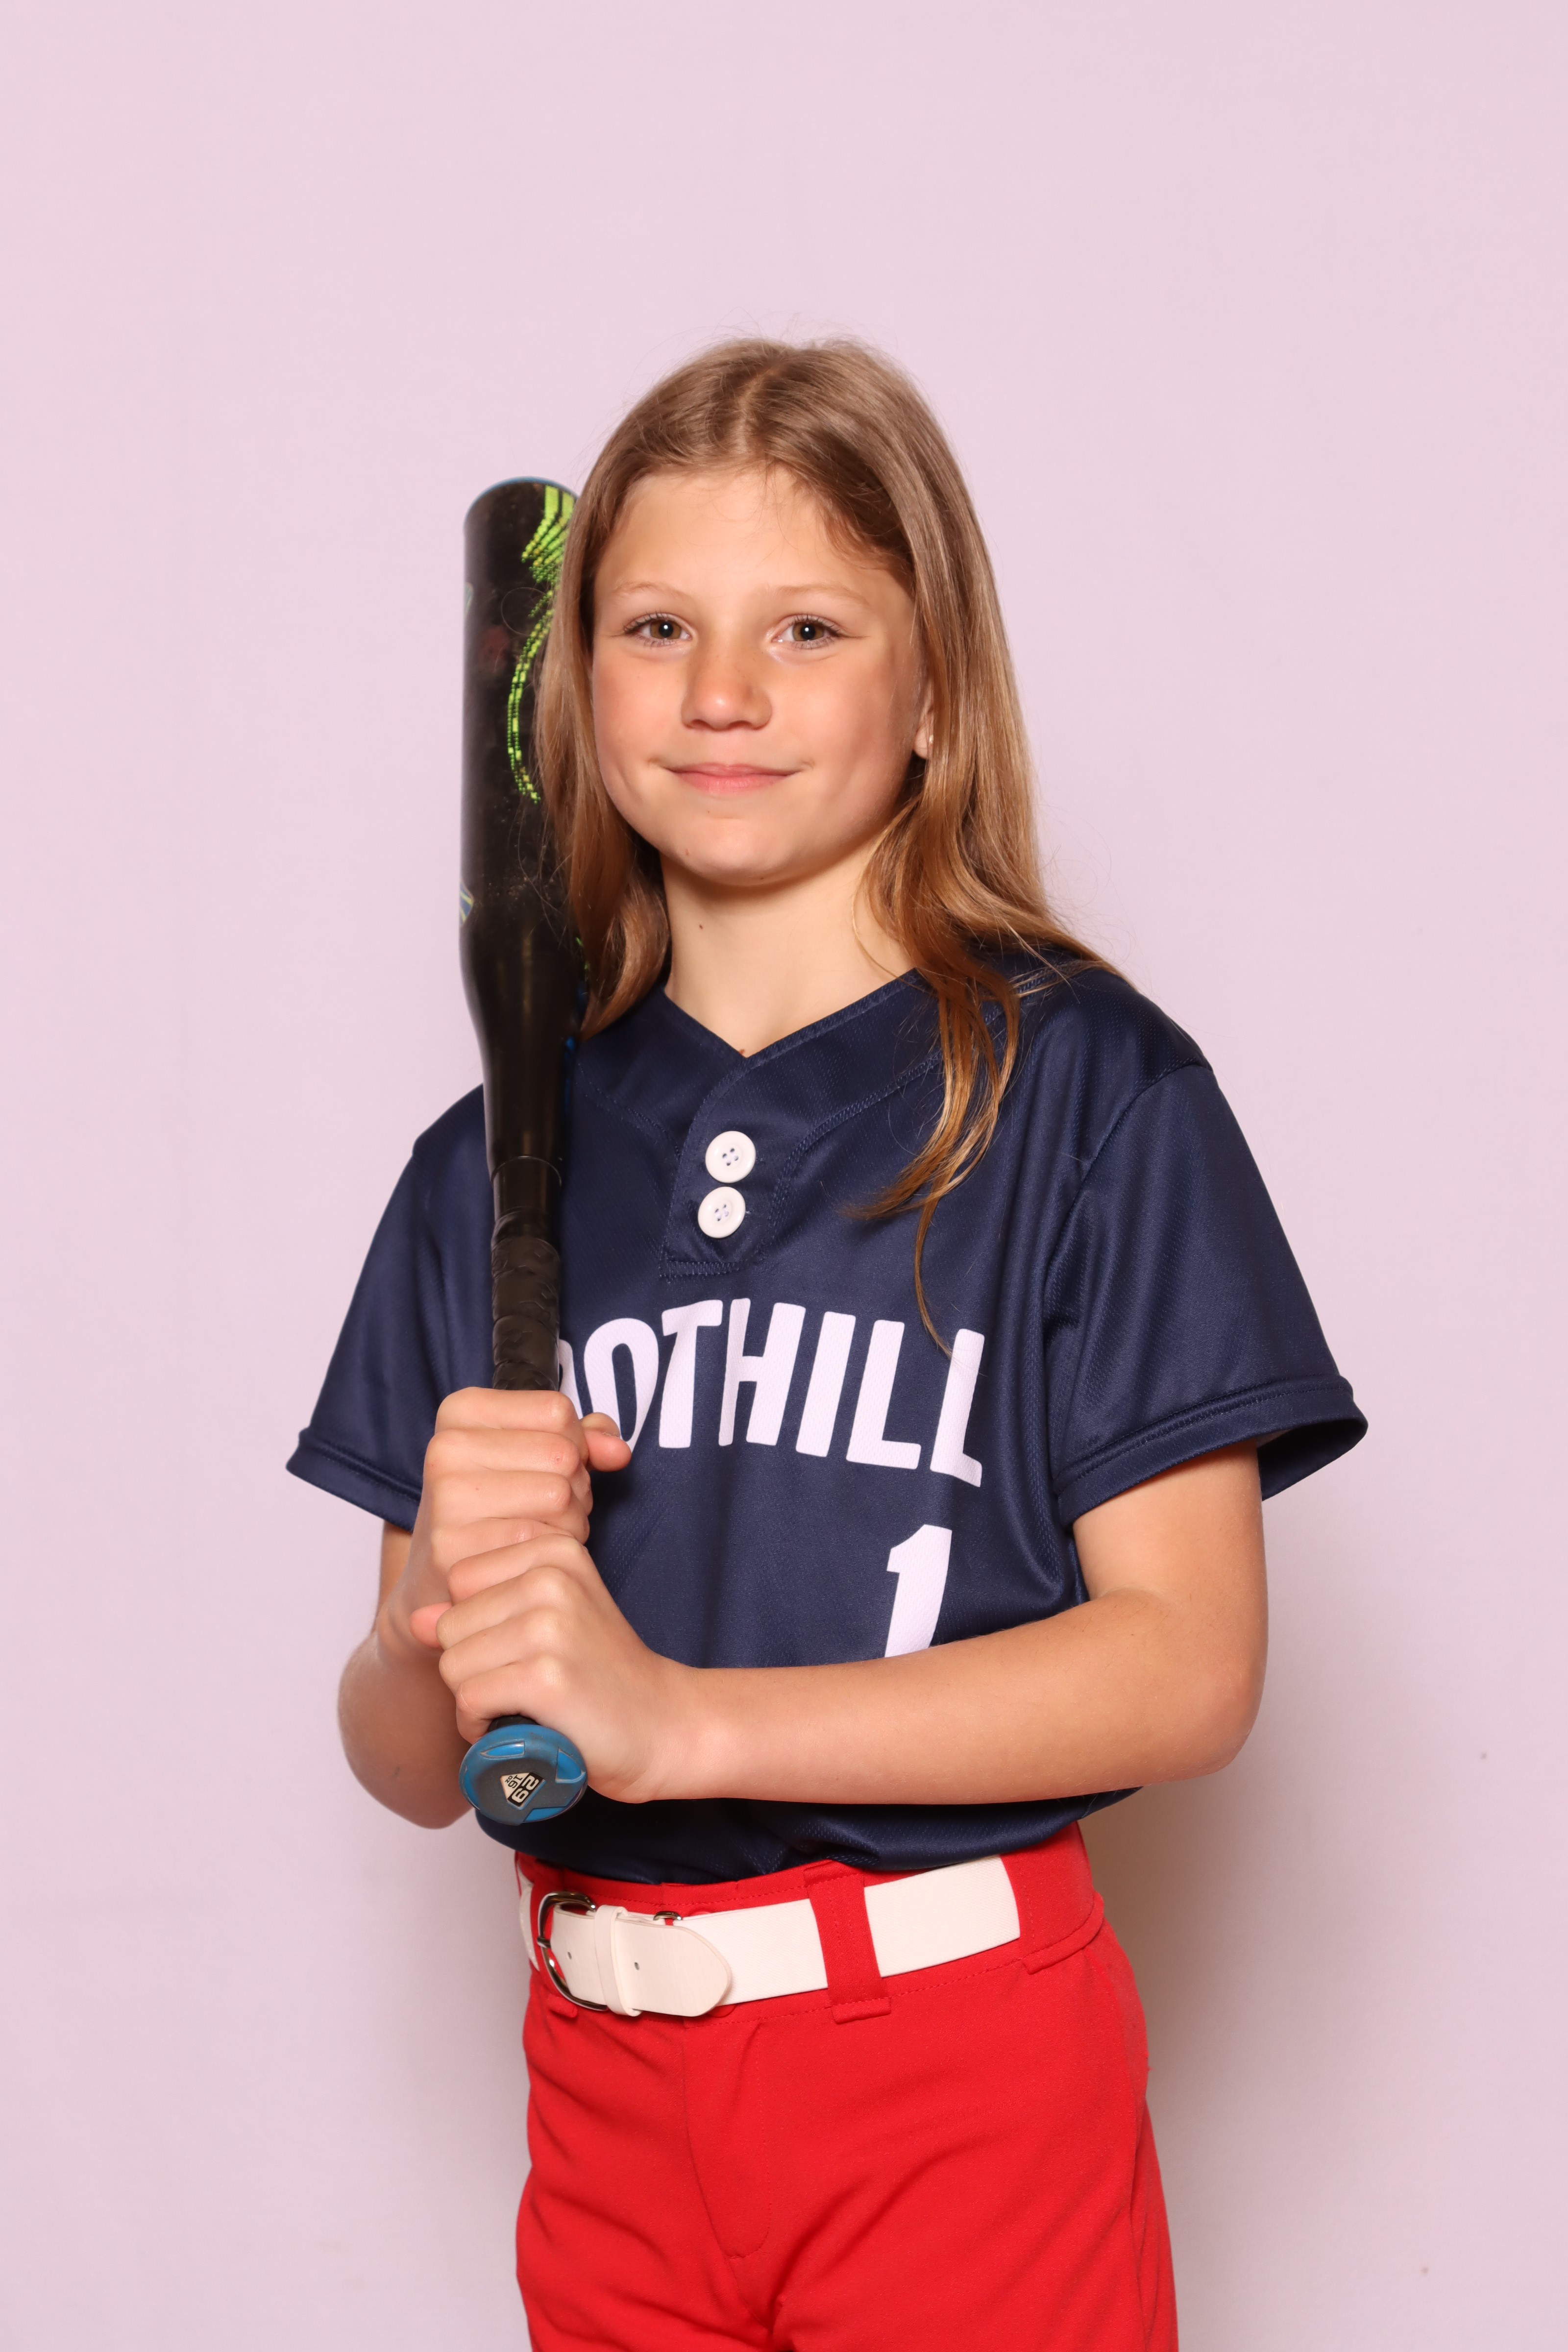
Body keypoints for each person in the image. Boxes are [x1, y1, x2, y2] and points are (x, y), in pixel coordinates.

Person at [289, 338, 1364, 2351]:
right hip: (603, 2083)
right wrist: (428, 1626)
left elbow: (1190, 1664)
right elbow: (415, 1767)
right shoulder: (489, 1160)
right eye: (654, 628)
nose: (722, 691)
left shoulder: (1083, 1092)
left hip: (952, 2064)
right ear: (573, 690)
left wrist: (686, 1722)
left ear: (933, 689)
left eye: (805, 627)